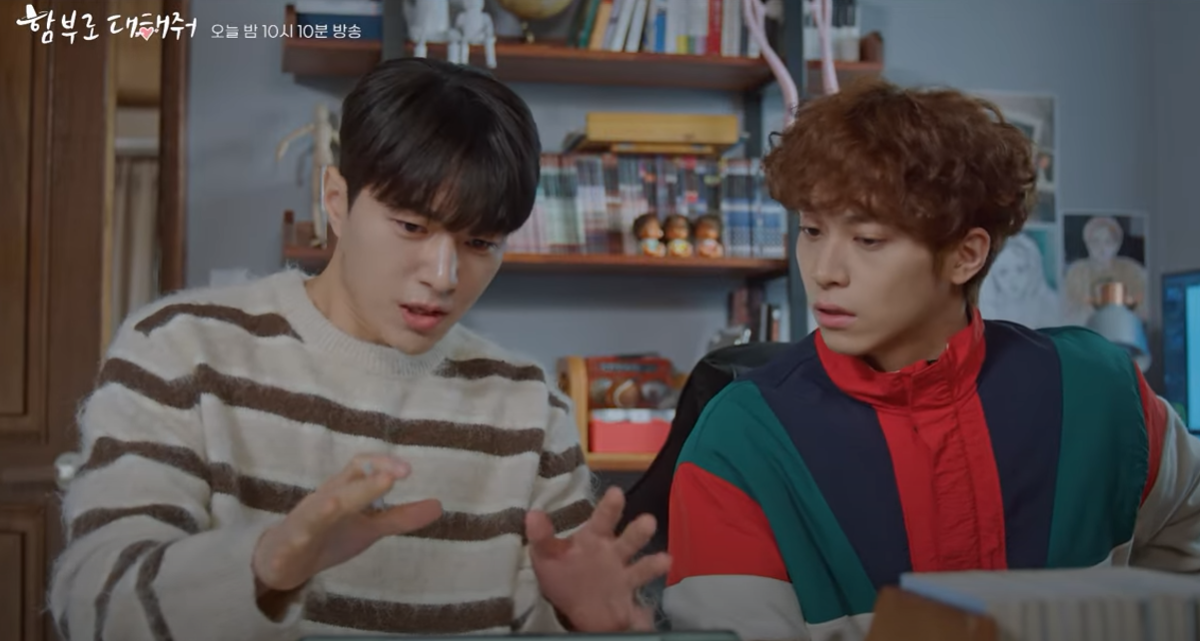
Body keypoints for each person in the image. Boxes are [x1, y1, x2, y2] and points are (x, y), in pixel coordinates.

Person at [49, 57, 670, 640]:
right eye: (412, 227)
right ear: (337, 201)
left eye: (480, 243)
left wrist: (579, 620)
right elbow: (95, 606)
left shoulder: (528, 405)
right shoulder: (183, 349)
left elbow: (557, 611)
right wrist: (265, 566)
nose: (444, 276)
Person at [662, 78, 1200, 641]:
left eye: (868, 240)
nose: (824, 271)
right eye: (812, 231)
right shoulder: (740, 437)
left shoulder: (1099, 391)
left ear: (965, 255)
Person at [1063, 215, 1149, 324]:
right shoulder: (1076, 272)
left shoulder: (1133, 271)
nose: (1102, 248)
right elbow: (1066, 314)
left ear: (1117, 245)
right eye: (1096, 241)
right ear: (1087, 243)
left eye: (1108, 242)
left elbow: (1145, 310)